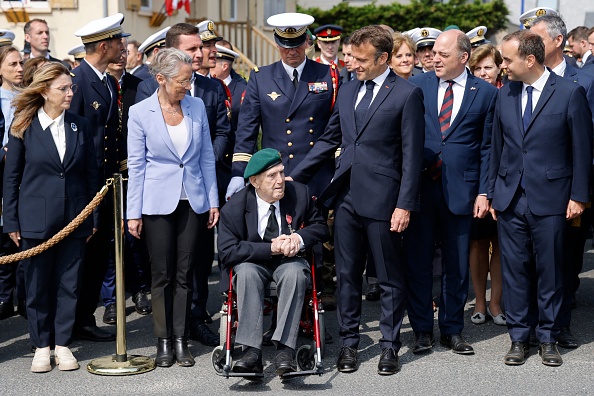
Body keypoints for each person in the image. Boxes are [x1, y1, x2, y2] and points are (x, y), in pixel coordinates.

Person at [290, 25, 425, 375]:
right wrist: (296, 175)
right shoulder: (348, 90)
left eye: (362, 59)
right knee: (348, 275)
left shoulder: (407, 94)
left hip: (385, 200)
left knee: (388, 277)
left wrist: (404, 204)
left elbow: (412, 156)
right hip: (346, 197)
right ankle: (349, 344)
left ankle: (389, 346)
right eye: (351, 57)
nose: (353, 64)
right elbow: (328, 139)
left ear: (383, 58)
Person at [489, 30, 592, 367]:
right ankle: (519, 337)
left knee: (550, 270)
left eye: (507, 60)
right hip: (510, 199)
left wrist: (579, 196)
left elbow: (581, 150)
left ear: (529, 60)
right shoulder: (505, 94)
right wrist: (492, 193)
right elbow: (497, 149)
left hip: (552, 198)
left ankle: (548, 336)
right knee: (515, 271)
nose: (502, 66)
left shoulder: (569, 93)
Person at [226, 12, 338, 310]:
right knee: (274, 233)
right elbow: (247, 131)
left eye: (298, 43)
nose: (292, 50)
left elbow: (332, 131)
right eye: (286, 44)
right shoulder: (261, 78)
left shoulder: (326, 75)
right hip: (273, 177)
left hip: (314, 173)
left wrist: (301, 174)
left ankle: (313, 298)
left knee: (314, 237)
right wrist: (240, 173)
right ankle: (271, 299)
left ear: (307, 42)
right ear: (277, 43)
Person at [406, 29, 498, 355]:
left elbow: (488, 147)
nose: (435, 58)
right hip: (420, 188)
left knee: (457, 265)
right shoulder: (417, 85)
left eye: (443, 54)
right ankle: (420, 330)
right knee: (418, 263)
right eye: (433, 53)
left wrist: (485, 193)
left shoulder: (485, 93)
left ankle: (452, 329)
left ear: (464, 57)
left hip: (462, 191)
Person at [3, 62, 99, 373]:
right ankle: (41, 345)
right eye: (64, 88)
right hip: (35, 218)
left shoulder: (79, 125)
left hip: (74, 216)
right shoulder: (22, 126)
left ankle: (63, 344)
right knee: (38, 284)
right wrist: (12, 221)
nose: (71, 92)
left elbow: (90, 175)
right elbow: (11, 178)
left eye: (71, 87)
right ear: (45, 91)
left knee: (69, 283)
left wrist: (90, 218)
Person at [127, 47, 218, 367]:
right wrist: (132, 212)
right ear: (161, 79)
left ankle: (181, 340)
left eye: (190, 79)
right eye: (182, 81)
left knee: (185, 273)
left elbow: (206, 155)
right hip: (156, 203)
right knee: (161, 274)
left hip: (192, 200)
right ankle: (163, 341)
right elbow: (136, 166)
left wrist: (212, 201)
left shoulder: (196, 106)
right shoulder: (140, 112)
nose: (188, 86)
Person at [218, 148, 328, 376]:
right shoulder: (234, 207)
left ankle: (285, 350)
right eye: (272, 176)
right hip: (254, 261)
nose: (280, 181)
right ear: (254, 181)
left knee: (296, 274)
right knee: (246, 273)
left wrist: (298, 238)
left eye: (281, 173)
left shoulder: (300, 194)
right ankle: (250, 352)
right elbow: (227, 251)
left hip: (290, 261)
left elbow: (321, 228)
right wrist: (271, 248)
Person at [525, 14, 594, 350]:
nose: (529, 43)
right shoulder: (524, 80)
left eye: (535, 37)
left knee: (566, 258)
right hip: (530, 188)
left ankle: (560, 322)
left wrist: (580, 192)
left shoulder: (585, 80)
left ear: (557, 41)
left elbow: (587, 140)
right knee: (529, 259)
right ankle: (530, 323)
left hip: (569, 188)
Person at [69, 13, 129, 343]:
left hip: (106, 184)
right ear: (103, 46)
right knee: (80, 258)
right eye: (119, 43)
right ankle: (70, 321)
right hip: (84, 187)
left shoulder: (109, 82)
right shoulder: (77, 82)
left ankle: (84, 319)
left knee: (96, 258)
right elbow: (76, 142)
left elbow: (111, 137)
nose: (123, 48)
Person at [100, 38, 150, 325]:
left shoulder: (138, 85)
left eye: (124, 51)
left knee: (135, 237)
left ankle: (141, 289)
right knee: (111, 238)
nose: (120, 56)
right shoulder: (98, 85)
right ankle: (111, 299)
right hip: (108, 175)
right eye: (116, 51)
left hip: (135, 172)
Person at [465, 43, 505, 327]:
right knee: (478, 244)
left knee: (501, 245)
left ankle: (496, 302)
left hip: (504, 181)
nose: (482, 73)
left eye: (487, 67)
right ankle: (479, 301)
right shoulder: (470, 95)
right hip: (476, 181)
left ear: (500, 68)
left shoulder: (509, 93)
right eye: (477, 68)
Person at [0, 41, 22, 321]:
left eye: (20, 63)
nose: (19, 69)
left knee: (15, 237)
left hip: (21, 176)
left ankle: (16, 296)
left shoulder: (27, 96)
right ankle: (4, 296)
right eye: (12, 64)